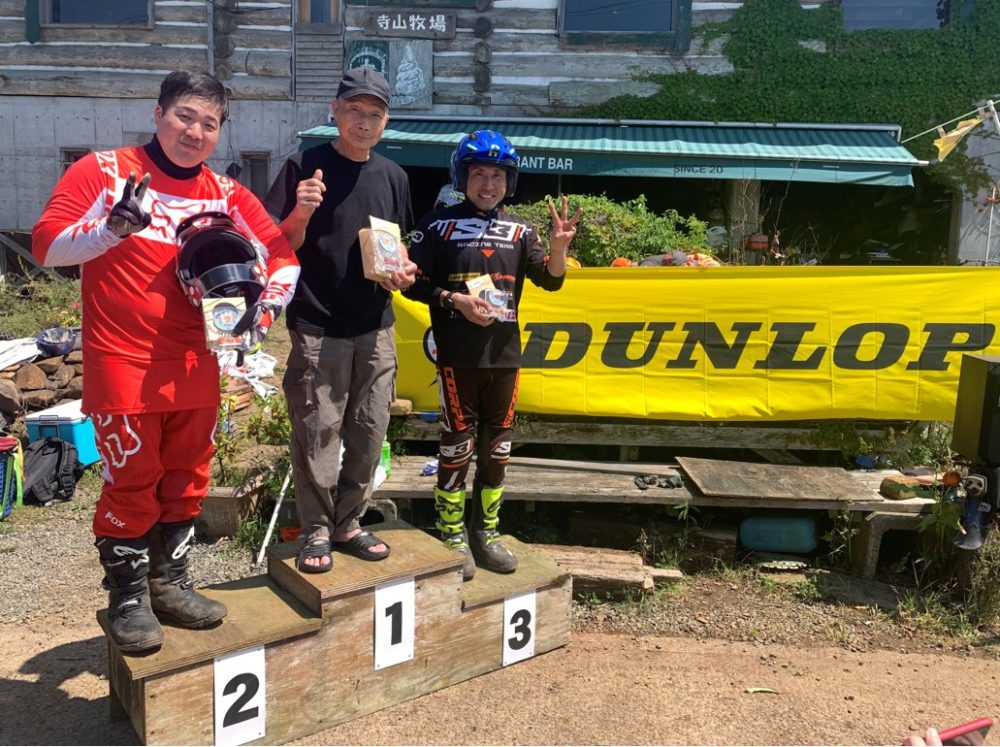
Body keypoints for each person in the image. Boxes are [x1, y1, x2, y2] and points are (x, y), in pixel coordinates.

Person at [32, 70, 300, 654]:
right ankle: (127, 599)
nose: (195, 132)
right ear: (158, 114)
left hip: (198, 362)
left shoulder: (227, 193)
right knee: (132, 482)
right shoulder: (105, 172)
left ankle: (170, 585)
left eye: (210, 123)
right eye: (184, 116)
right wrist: (111, 229)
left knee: (187, 480)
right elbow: (46, 245)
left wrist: (265, 311)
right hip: (123, 361)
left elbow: (283, 257)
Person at [403, 130, 582, 580]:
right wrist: (453, 300)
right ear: (461, 177)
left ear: (510, 181)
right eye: (479, 174)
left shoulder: (521, 229)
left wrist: (558, 248)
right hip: (456, 357)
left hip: (505, 358)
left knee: (497, 449)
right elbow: (412, 282)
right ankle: (452, 534)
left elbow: (551, 280)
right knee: (455, 447)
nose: (488, 184)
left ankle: (486, 532)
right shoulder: (436, 224)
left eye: (498, 175)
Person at [263, 67, 416, 574]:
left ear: (386, 121)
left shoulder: (394, 176)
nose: (364, 122)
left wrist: (404, 271)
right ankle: (315, 529)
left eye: (374, 114)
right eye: (354, 110)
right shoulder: (303, 166)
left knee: (371, 430)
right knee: (317, 432)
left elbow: (396, 246)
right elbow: (277, 246)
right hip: (317, 324)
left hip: (376, 326)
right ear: (335, 110)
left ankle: (349, 522)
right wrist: (302, 211)